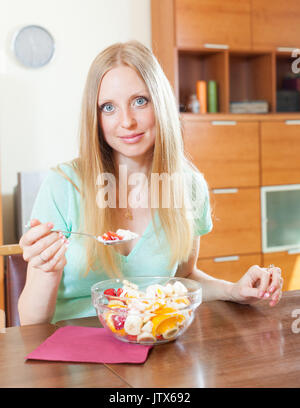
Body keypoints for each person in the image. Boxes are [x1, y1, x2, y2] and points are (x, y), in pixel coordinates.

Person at [18, 41, 283, 325]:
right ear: (95, 118)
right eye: (109, 107)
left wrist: (233, 290)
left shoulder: (189, 186)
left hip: (153, 343)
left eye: (140, 101)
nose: (127, 121)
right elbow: (31, 323)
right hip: (76, 352)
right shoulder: (63, 187)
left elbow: (182, 278)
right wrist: (46, 270)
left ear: (161, 102)